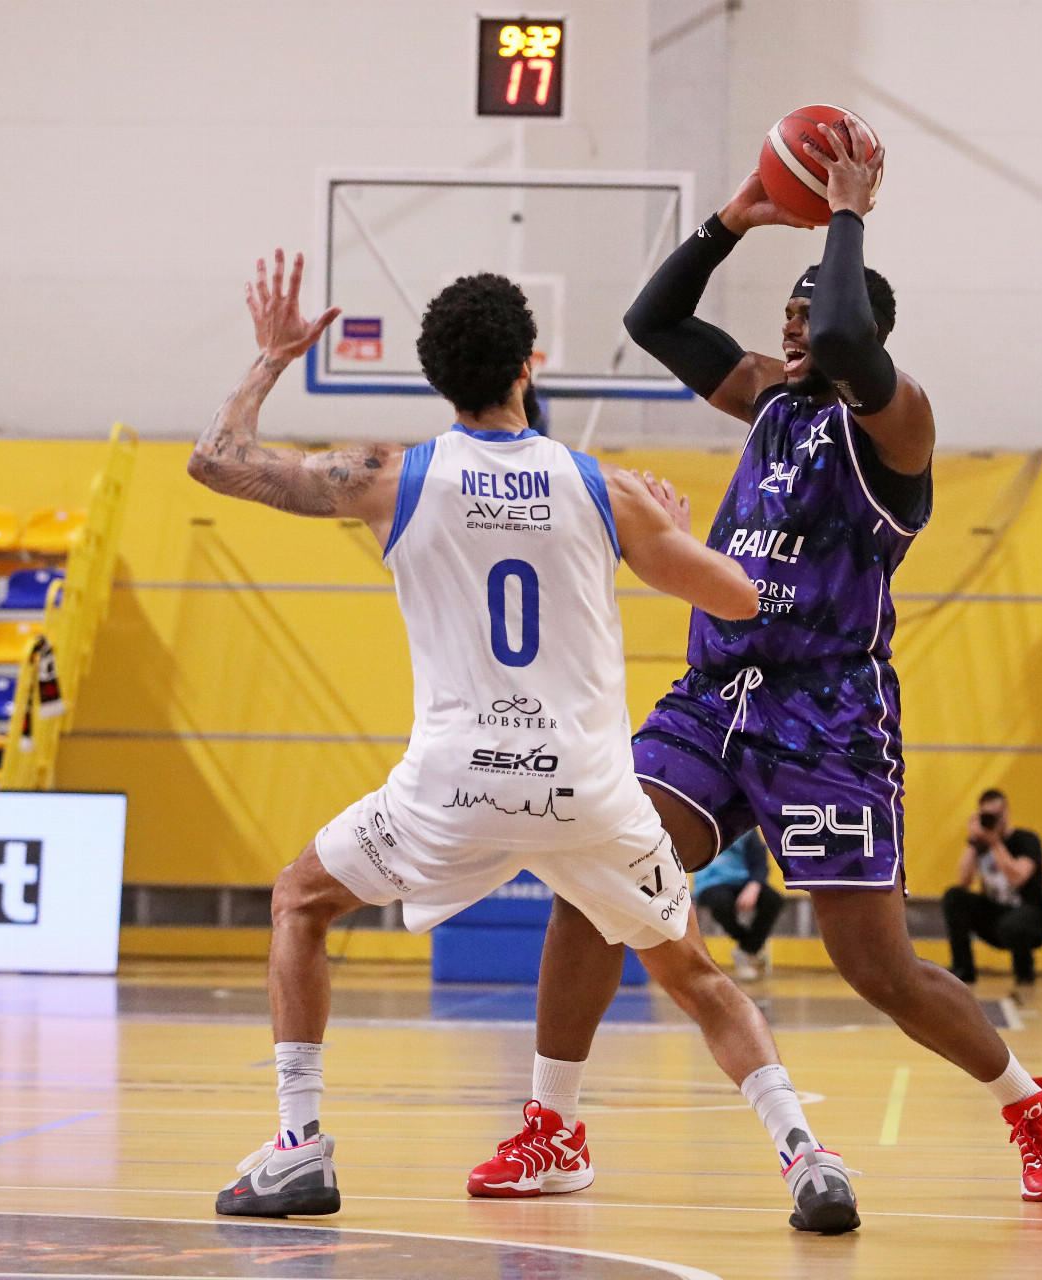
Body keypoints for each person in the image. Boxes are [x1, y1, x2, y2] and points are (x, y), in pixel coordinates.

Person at [191, 253, 862, 1232]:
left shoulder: (388, 474)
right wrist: (674, 533)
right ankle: (806, 1155)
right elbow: (736, 598)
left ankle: (298, 1147)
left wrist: (271, 359)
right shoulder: (603, 489)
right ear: (529, 363)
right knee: (694, 974)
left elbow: (217, 460)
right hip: (589, 792)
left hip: (452, 792)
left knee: (301, 899)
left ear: (438, 379)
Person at [495, 125, 1042, 1207]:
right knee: (596, 882)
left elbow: (853, 333)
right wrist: (735, 217)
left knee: (879, 971)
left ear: (864, 337)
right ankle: (553, 1127)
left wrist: (848, 210)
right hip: (713, 699)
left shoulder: (900, 423)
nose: (794, 328)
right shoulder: (770, 396)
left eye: (810, 314)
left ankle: (1027, 1101)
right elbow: (653, 321)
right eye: (789, 315)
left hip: (828, 720)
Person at [941, 789, 1042, 987]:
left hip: (1030, 919)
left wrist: (994, 842)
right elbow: (963, 880)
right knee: (953, 897)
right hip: (995, 918)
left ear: (1006, 814)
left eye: (996, 815)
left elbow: (1017, 877)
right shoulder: (980, 844)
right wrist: (974, 841)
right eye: (987, 816)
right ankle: (963, 971)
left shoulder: (1027, 840)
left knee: (1016, 922)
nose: (992, 821)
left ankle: (1024, 974)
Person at [693, 830, 784, 982]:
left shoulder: (747, 830)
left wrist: (754, 884)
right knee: (721, 902)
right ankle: (749, 948)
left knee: (773, 900)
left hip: (742, 881)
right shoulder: (701, 827)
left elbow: (759, 860)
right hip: (709, 883)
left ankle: (747, 950)